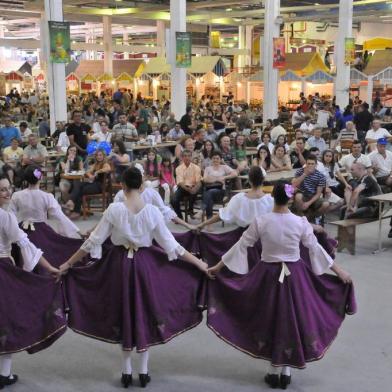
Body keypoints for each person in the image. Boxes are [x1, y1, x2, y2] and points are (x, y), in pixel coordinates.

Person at [59, 167, 207, 388]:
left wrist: (68, 264)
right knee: (144, 311)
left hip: (120, 266)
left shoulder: (114, 209)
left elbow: (93, 242)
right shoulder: (152, 212)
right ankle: (144, 370)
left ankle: (126, 370)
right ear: (142, 185)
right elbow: (172, 246)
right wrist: (199, 263)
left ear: (123, 185)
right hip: (145, 266)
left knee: (124, 312)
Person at [206, 181, 355, 390]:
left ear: (272, 198)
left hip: (267, 276)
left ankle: (274, 371)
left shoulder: (261, 221)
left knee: (270, 318)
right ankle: (286, 371)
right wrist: (339, 270)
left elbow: (241, 245)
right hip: (296, 276)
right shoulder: (300, 222)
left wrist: (218, 267)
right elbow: (315, 249)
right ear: (291, 199)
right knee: (292, 319)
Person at [0, 174, 65, 389]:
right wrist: (49, 268)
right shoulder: (5, 217)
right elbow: (26, 245)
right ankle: (4, 374)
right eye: (2, 189)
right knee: (7, 321)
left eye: (8, 188)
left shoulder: (8, 213)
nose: (7, 192)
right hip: (3, 272)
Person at [10, 165, 80, 239]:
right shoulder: (47, 196)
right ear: (41, 177)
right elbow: (60, 216)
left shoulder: (17, 195)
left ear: (26, 179)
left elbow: (10, 215)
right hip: (42, 231)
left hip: (23, 230)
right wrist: (78, 232)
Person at [64, 149, 112, 219]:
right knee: (78, 183)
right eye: (97, 155)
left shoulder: (105, 164)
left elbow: (108, 169)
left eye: (100, 155)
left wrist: (97, 172)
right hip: (94, 184)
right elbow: (87, 171)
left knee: (80, 190)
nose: (99, 157)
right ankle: (72, 203)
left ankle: (75, 210)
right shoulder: (96, 164)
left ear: (104, 156)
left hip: (100, 186)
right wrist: (90, 175)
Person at [201, 151, 237, 224]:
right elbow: (204, 179)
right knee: (209, 198)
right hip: (209, 190)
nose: (215, 160)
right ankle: (209, 223)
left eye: (217, 158)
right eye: (214, 158)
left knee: (208, 193)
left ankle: (202, 211)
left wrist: (224, 177)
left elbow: (235, 173)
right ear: (211, 159)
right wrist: (217, 179)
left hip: (220, 192)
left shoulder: (224, 167)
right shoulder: (208, 168)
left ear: (221, 159)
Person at [292, 155, 329, 219]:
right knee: (298, 196)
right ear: (306, 164)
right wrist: (305, 174)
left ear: (316, 165)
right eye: (308, 164)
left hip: (313, 196)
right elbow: (294, 185)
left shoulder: (321, 176)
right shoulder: (300, 171)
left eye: (312, 164)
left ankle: (310, 217)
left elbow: (318, 194)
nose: (310, 165)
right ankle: (300, 216)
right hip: (302, 194)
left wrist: (308, 203)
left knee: (326, 204)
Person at [172, 150, 202, 219]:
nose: (187, 158)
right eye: (185, 156)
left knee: (195, 191)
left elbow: (199, 181)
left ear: (191, 157)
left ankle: (190, 210)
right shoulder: (178, 168)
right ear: (182, 157)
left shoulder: (196, 167)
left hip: (194, 187)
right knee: (173, 200)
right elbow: (180, 182)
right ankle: (179, 216)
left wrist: (194, 189)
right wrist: (188, 189)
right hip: (183, 188)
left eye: (189, 156)